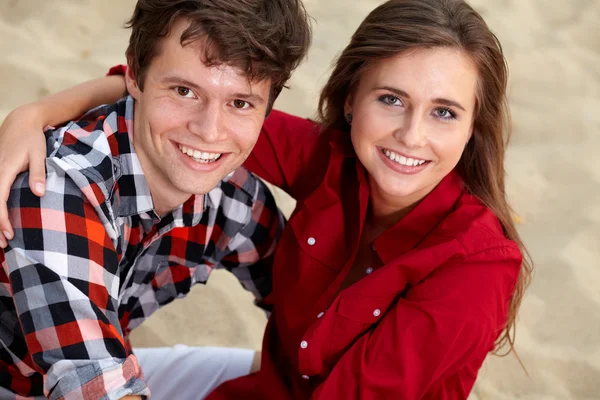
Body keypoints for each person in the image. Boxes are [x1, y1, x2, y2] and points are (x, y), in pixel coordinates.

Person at [0, 0, 533, 398]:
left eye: (444, 111)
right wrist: (33, 116)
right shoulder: (320, 158)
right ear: (351, 103)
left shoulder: (476, 262)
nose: (411, 136)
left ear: (472, 129)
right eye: (391, 100)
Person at [0, 0, 311, 399]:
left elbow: (302, 313)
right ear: (134, 74)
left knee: (275, 376)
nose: (209, 131)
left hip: (113, 364)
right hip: (20, 385)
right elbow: (96, 387)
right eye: (184, 91)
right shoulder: (56, 186)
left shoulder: (234, 195)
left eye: (239, 103)